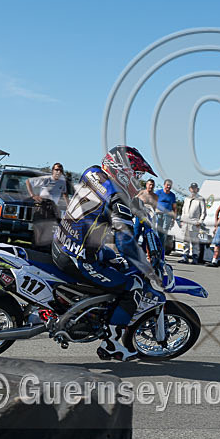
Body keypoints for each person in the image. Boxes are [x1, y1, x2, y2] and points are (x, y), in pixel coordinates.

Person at [52, 145, 162, 361]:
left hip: (61, 242)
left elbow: (111, 192)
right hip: (78, 257)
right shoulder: (117, 201)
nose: (137, 180)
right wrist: (145, 266)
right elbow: (124, 241)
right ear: (122, 171)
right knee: (133, 286)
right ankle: (111, 345)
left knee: (115, 262)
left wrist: (135, 205)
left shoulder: (92, 172)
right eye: (136, 174)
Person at [178, 182, 207, 264]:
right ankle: (185, 256)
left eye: (195, 188)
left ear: (197, 189)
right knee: (185, 240)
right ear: (189, 189)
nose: (193, 189)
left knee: (194, 241)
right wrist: (182, 220)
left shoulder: (200, 199)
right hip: (185, 222)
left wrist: (200, 221)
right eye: (192, 188)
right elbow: (183, 210)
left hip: (194, 222)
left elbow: (203, 212)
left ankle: (195, 257)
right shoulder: (187, 198)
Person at [154, 178, 178, 247]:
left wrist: (174, 218)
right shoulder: (158, 192)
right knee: (157, 231)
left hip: (168, 215)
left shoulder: (172, 195)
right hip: (158, 214)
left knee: (164, 232)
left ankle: (161, 250)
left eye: (170, 185)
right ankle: (155, 247)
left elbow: (174, 207)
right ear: (164, 185)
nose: (168, 186)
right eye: (167, 185)